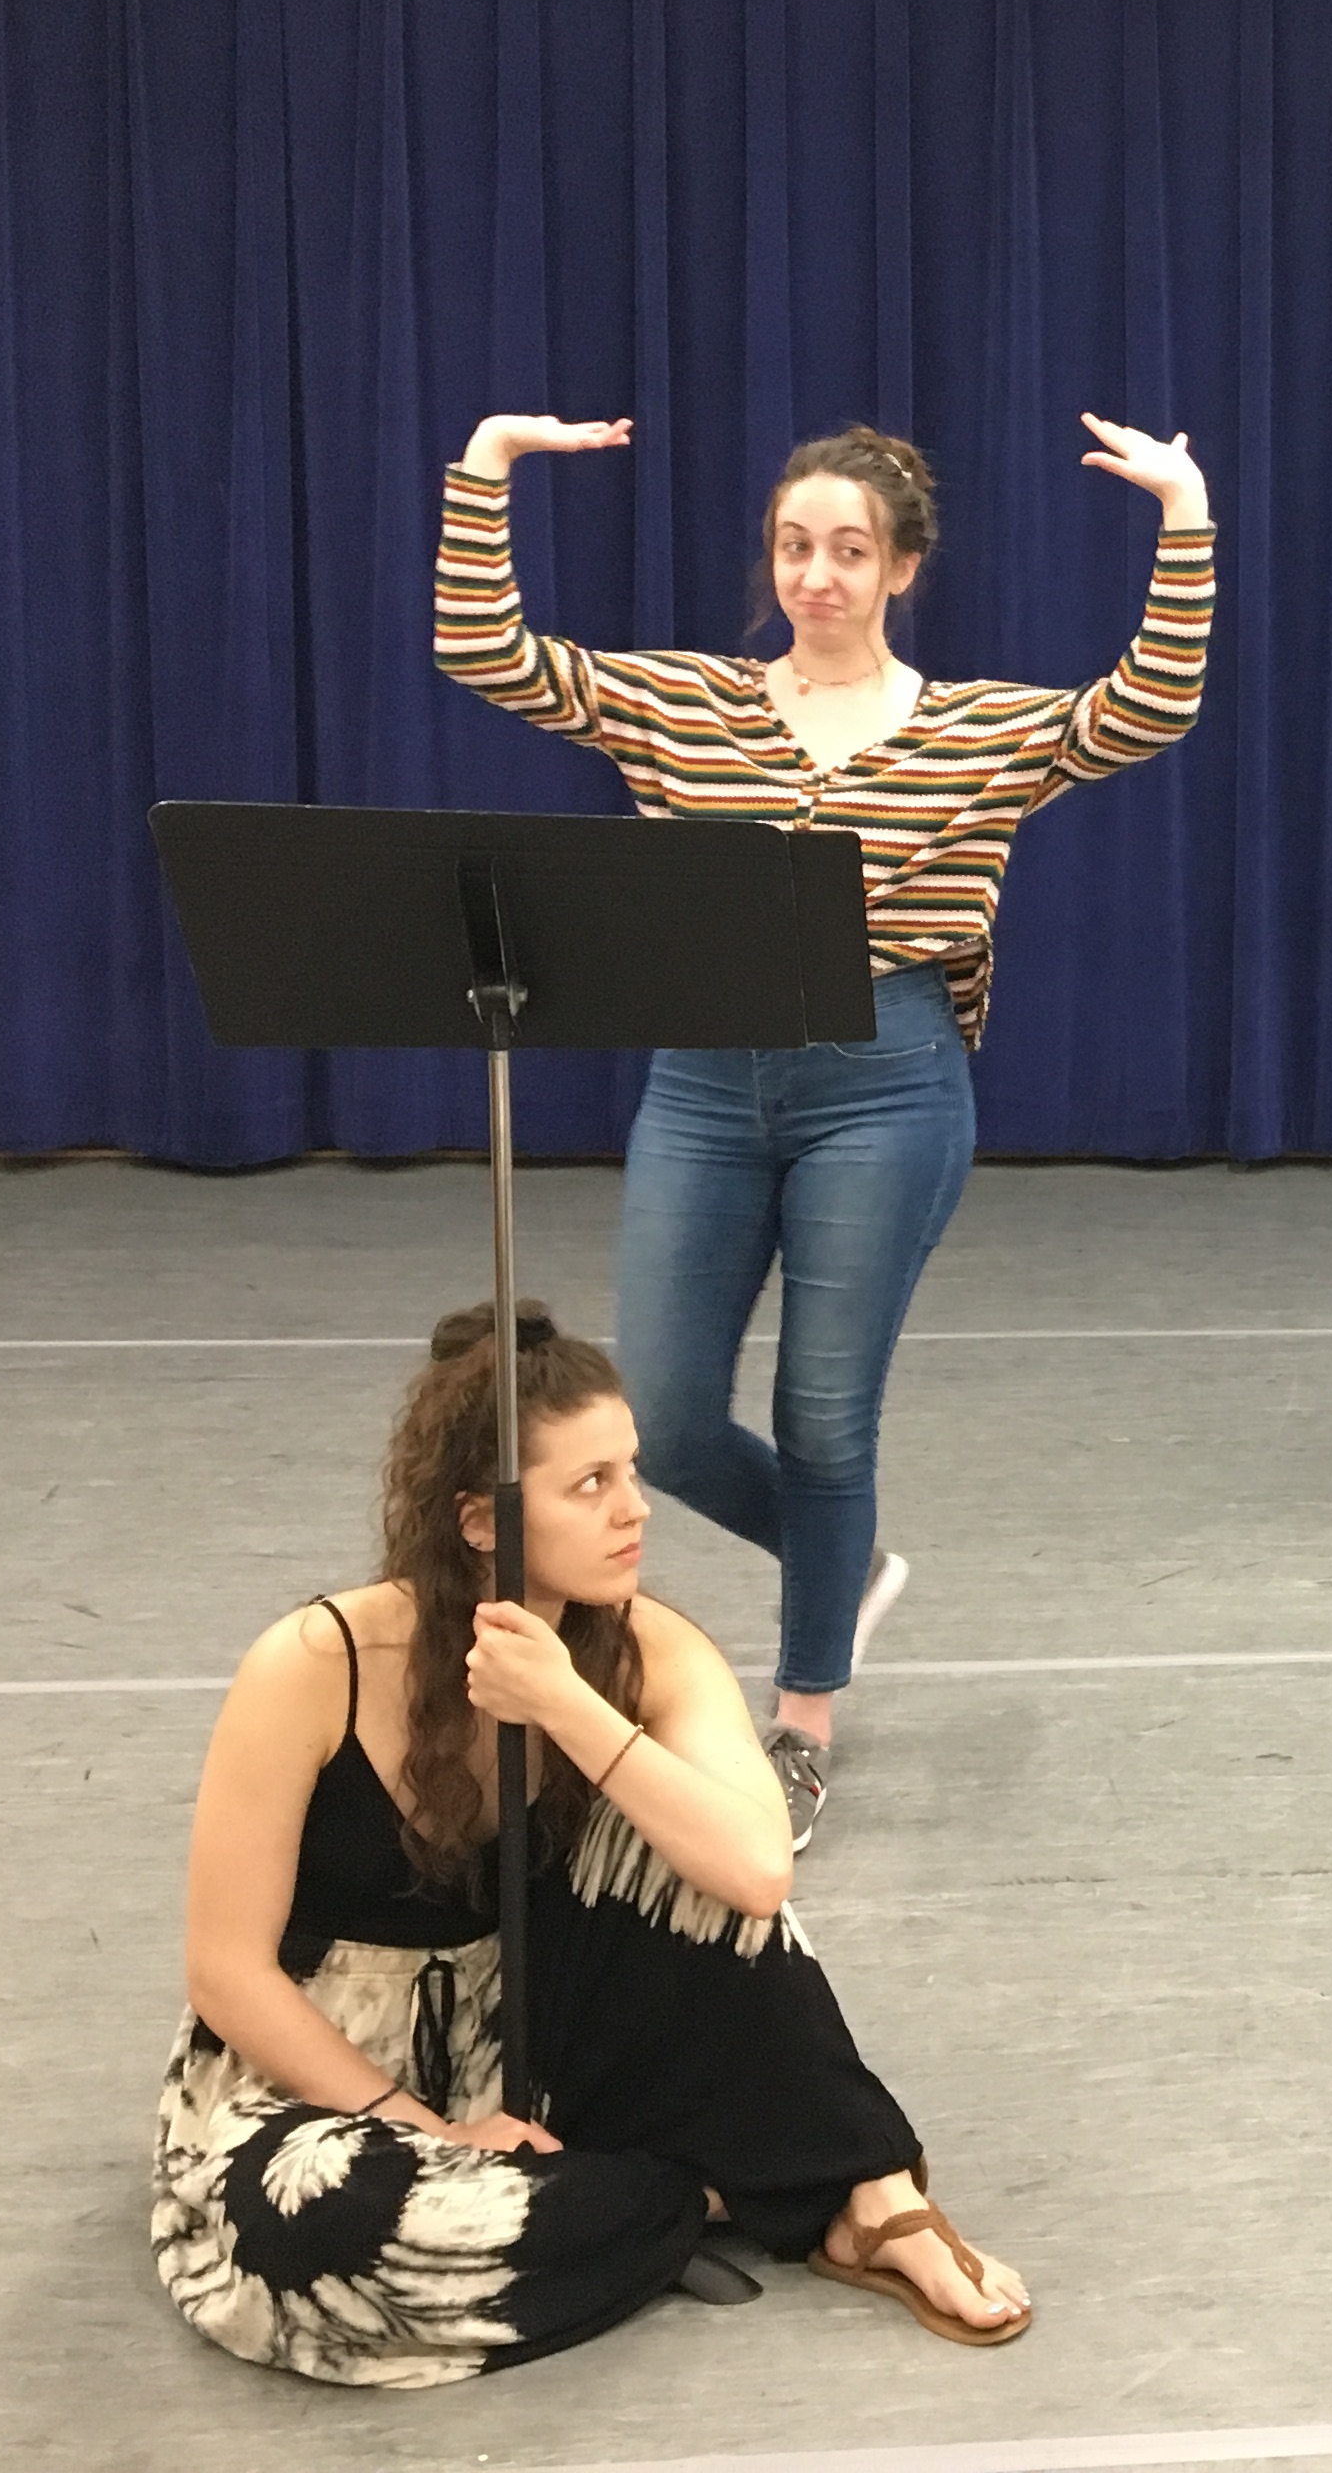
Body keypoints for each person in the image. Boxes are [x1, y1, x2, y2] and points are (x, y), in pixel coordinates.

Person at [436, 409, 1213, 1845]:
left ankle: (802, 1719)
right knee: (665, 1414)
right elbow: (490, 655)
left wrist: (1184, 515)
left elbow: (1148, 706)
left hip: (886, 1083)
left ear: (901, 568)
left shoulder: (977, 728)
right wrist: (488, 464)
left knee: (822, 1415)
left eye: (850, 551)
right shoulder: (687, 705)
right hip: (704, 1082)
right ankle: (836, 1567)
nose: (817, 575)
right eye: (795, 546)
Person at [155, 1302, 1033, 2385]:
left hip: (541, 2043)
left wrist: (568, 1706)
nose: (635, 1510)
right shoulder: (312, 1661)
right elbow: (227, 1972)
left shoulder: (648, 1647)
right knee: (314, 2235)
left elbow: (757, 1875)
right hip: (326, 2083)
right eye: (590, 1485)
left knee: (697, 1858)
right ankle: (695, 2194)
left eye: (632, 1472)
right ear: (482, 1521)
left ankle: (871, 2192)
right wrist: (431, 2130)